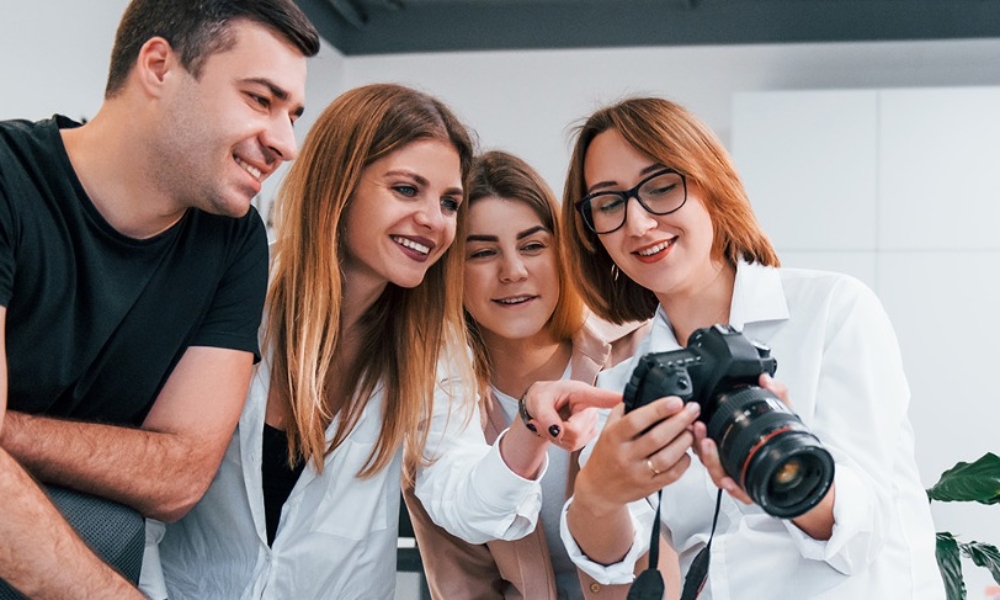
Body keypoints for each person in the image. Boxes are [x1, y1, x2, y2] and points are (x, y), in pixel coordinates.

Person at [158, 84, 619, 600]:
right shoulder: (235, 291)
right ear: (338, 185)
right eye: (406, 189)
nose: (432, 220)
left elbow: (464, 504)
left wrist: (529, 429)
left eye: (448, 202)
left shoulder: (434, 347)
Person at [549, 97, 944, 598]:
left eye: (662, 186)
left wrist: (774, 462)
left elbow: (862, 534)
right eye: (609, 202)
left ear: (710, 183)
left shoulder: (831, 311)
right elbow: (615, 570)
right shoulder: (622, 386)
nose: (639, 223)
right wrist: (597, 496)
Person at [0, 1, 319, 597]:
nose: (286, 143)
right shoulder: (8, 179)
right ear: (157, 66)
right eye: (260, 99)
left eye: (292, 114)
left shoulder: (234, 237)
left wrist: (7, 432)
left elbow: (180, 476)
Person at [402, 150, 679, 599]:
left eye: (533, 246)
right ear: (450, 271)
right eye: (482, 253)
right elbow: (461, 577)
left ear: (563, 254)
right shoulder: (433, 395)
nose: (513, 272)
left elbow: (671, 534)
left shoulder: (638, 354)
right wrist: (528, 428)